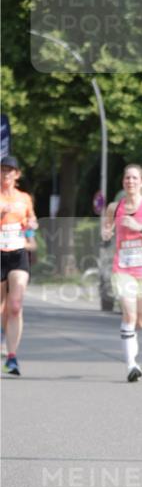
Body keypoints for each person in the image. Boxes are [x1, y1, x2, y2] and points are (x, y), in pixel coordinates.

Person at [102, 164, 142, 382]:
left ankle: (132, 348)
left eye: (134, 178)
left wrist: (139, 227)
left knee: (140, 321)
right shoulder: (114, 207)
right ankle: (131, 364)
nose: (130, 181)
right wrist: (106, 232)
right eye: (127, 178)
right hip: (123, 269)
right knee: (129, 315)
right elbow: (106, 230)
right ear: (123, 182)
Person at [1, 154, 38, 376]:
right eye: (3, 169)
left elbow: (30, 221)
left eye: (10, 170)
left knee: (15, 306)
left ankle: (12, 357)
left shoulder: (24, 198)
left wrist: (32, 228)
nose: (6, 173)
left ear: (17, 174)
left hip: (18, 253)